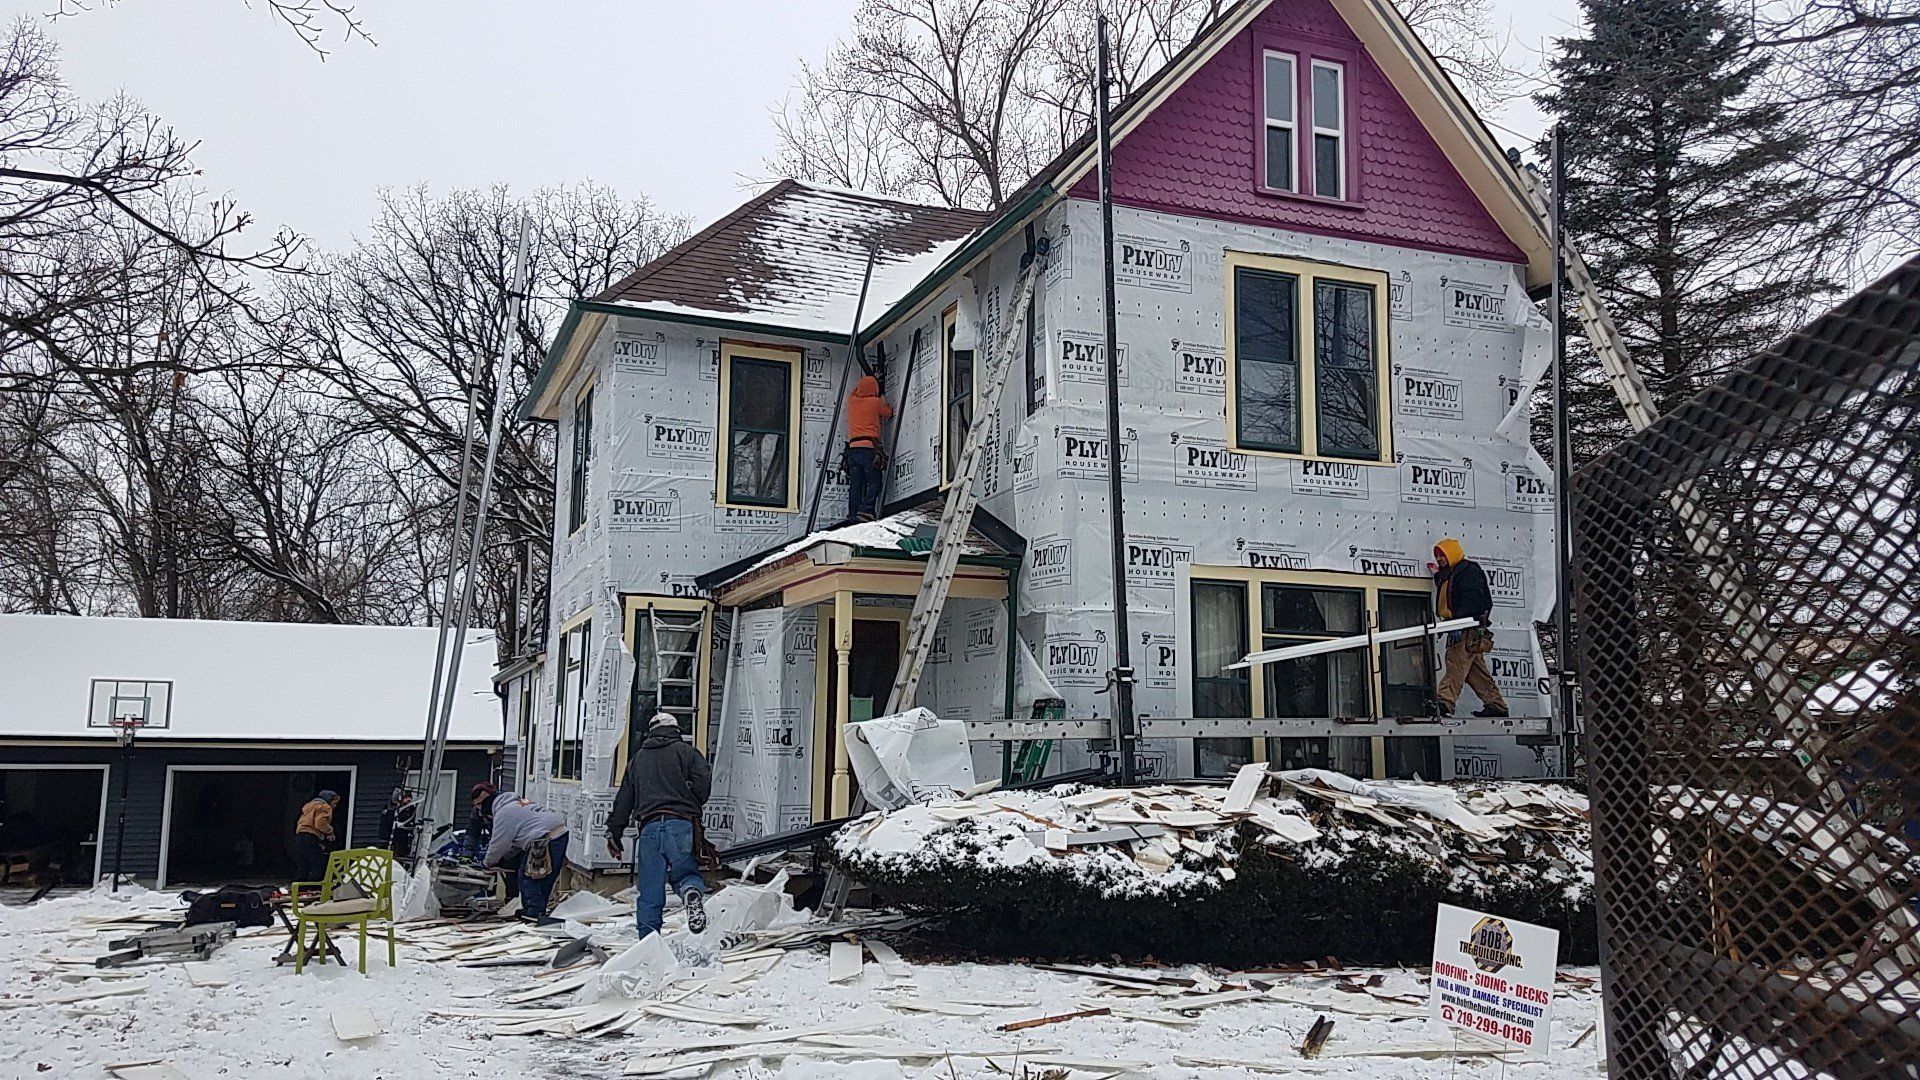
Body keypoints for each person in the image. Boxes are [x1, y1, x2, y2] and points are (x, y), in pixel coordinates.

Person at [606, 713, 712, 937]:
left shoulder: (637, 760)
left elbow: (624, 800)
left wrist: (614, 834)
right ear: (676, 730)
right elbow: (703, 782)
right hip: (681, 825)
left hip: (650, 828)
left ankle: (648, 940)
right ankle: (691, 892)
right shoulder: (688, 753)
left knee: (650, 891)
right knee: (685, 874)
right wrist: (691, 801)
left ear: (651, 731)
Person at [1430, 537, 1509, 719]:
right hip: (1463, 624)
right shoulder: (1452, 573)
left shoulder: (1467, 571)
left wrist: (1459, 621)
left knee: (1455, 661)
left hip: (1466, 625)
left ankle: (1444, 702)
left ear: (1452, 554)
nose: (1440, 559)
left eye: (1443, 555)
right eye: (1438, 556)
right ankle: (1496, 705)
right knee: (1475, 671)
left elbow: (1472, 598)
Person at [482, 792, 570, 920]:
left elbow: (498, 844)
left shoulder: (504, 814)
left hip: (543, 839)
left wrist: (487, 863)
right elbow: (515, 842)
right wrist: (506, 857)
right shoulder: (520, 804)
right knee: (545, 878)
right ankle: (537, 910)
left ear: (491, 813)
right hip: (558, 834)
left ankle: (533, 912)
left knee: (528, 877)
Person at [844, 374, 893, 522]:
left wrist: (867, 380)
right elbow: (889, 414)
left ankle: (853, 514)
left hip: (852, 449)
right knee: (874, 481)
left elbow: (855, 391)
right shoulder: (875, 402)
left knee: (856, 485)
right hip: (868, 447)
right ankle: (866, 510)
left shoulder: (852, 401)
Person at [292, 790, 340, 884]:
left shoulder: (309, 806)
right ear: (329, 800)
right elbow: (320, 823)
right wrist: (330, 832)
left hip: (300, 836)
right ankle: (315, 885)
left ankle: (301, 886)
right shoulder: (325, 807)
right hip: (310, 837)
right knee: (319, 862)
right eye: (334, 803)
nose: (335, 806)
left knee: (303, 864)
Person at [379, 788, 418, 862]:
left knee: (401, 853)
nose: (408, 801)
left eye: (409, 799)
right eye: (406, 798)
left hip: (403, 837)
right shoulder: (390, 808)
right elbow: (387, 820)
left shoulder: (411, 809)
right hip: (389, 836)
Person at [462, 781, 497, 860]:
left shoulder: (502, 810)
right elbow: (472, 832)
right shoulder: (477, 812)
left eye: (484, 802)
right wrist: (466, 854)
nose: (482, 807)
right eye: (478, 804)